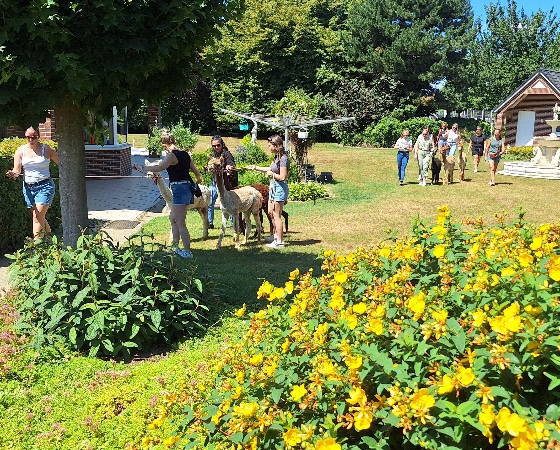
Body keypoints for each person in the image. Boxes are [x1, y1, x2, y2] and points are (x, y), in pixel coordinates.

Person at [133, 130, 202, 258]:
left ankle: (187, 252)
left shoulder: (171, 155)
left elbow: (160, 167)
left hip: (180, 189)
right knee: (173, 219)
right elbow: (197, 173)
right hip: (185, 188)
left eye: (163, 145)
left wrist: (142, 168)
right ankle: (175, 247)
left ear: (165, 144)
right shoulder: (185, 154)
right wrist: (198, 181)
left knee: (180, 222)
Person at [5, 127, 59, 239]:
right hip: (28, 188)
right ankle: (52, 242)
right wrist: (13, 174)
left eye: (33, 137)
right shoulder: (20, 150)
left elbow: (62, 163)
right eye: (28, 137)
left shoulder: (47, 149)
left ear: (38, 137)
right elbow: (17, 170)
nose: (31, 140)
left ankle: (36, 246)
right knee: (39, 217)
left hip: (45, 186)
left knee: (37, 217)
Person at [246, 135, 289, 249]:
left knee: (276, 215)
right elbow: (269, 169)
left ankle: (279, 242)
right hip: (273, 188)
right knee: (270, 212)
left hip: (280, 188)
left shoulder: (283, 159)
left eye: (270, 145)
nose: (268, 147)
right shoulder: (276, 157)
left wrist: (273, 175)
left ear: (276, 146)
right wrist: (255, 167)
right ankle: (275, 235)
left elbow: (283, 177)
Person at [207, 135, 236, 228]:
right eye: (214, 146)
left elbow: (232, 166)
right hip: (215, 182)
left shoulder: (227, 154)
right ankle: (210, 223)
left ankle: (234, 224)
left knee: (229, 203)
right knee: (210, 202)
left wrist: (228, 167)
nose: (216, 147)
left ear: (222, 144)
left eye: (218, 145)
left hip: (225, 183)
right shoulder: (214, 155)